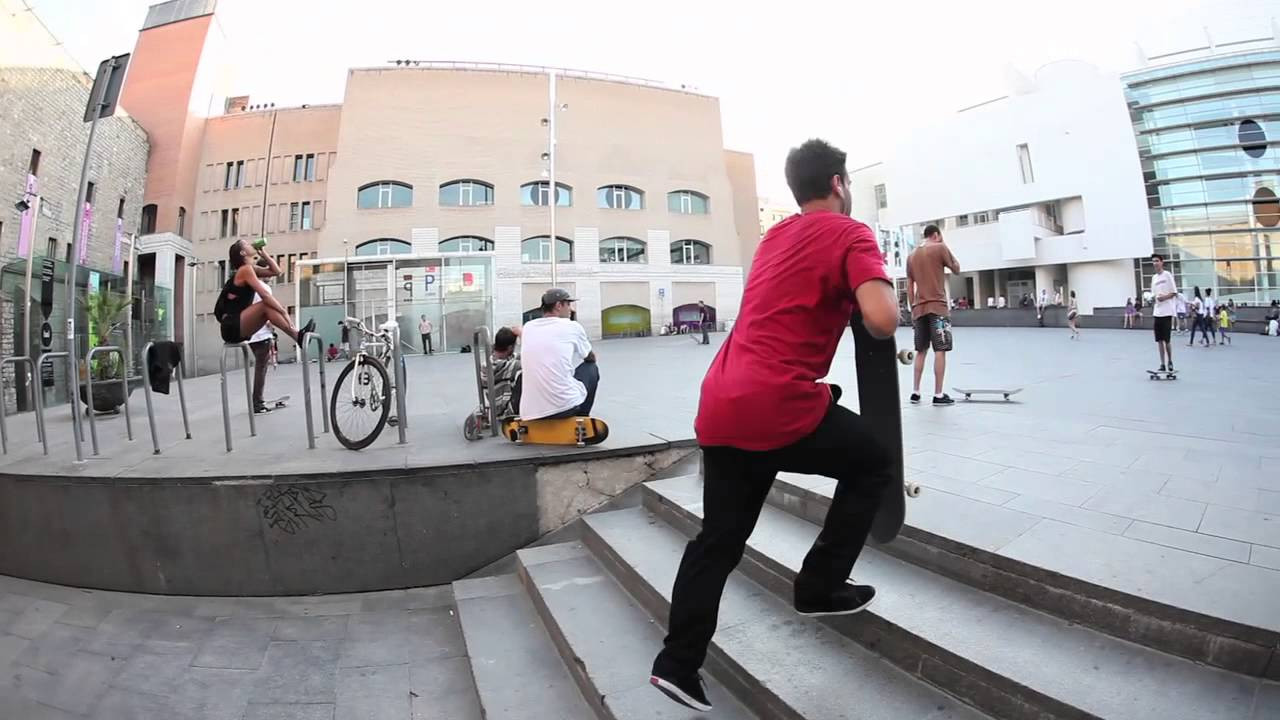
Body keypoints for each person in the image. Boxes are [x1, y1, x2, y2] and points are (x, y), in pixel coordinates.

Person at [649, 139, 899, 713]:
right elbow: (882, 319)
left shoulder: (774, 237)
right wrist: (876, 294)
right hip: (776, 403)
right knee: (872, 460)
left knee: (718, 541)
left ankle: (677, 664)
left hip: (722, 399)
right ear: (839, 183)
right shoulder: (850, 231)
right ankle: (818, 586)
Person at [214, 239, 312, 349]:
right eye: (246, 244)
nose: (251, 244)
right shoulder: (244, 270)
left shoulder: (251, 269)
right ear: (243, 253)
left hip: (239, 325)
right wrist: (283, 312)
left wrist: (264, 253)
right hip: (231, 326)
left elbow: (276, 271)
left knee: (267, 308)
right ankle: (296, 335)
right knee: (265, 304)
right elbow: (264, 295)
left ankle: (297, 335)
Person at [518, 289, 599, 419]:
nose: (571, 309)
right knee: (591, 368)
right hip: (564, 407)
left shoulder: (528, 327)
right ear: (558, 305)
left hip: (530, 412)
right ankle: (582, 417)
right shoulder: (573, 327)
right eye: (568, 304)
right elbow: (590, 357)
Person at [906, 224, 960, 405]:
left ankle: (915, 391)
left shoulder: (911, 255)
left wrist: (912, 307)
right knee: (940, 350)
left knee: (920, 350)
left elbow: (909, 284)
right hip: (938, 308)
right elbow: (956, 268)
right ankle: (938, 394)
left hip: (919, 308)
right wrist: (944, 246)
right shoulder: (940, 247)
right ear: (936, 235)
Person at [247, 271, 276, 414]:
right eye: (268, 274)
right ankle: (257, 403)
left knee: (260, 368)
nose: (270, 278)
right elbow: (269, 308)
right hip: (262, 334)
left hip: (250, 335)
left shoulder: (248, 288)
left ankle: (257, 400)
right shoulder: (264, 288)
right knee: (261, 369)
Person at [1149, 253, 1177, 372]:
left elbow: (1174, 292)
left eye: (1157, 261)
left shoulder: (1167, 275)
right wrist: (1151, 299)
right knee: (1159, 340)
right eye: (1153, 261)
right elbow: (1153, 294)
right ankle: (1162, 363)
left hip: (1167, 312)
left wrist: (1164, 297)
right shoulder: (1154, 278)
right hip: (1157, 312)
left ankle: (1170, 361)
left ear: (1162, 262)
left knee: (1167, 340)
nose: (1155, 263)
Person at [489, 326, 522, 418]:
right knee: (524, 376)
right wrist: (522, 334)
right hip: (505, 411)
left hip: (500, 405)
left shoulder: (493, 360)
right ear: (510, 347)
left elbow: (519, 357)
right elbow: (528, 361)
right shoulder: (498, 366)